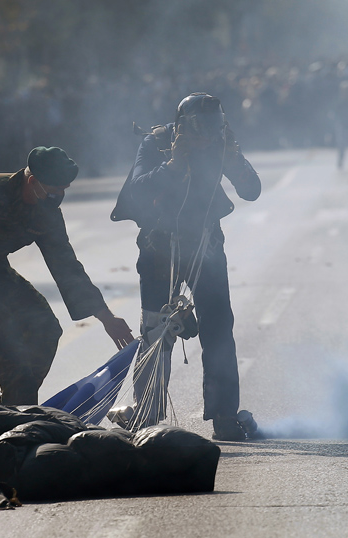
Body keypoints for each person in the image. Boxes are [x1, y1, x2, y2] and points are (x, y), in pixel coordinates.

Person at [0, 146, 134, 405]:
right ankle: (17, 409)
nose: (59, 197)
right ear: (32, 181)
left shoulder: (46, 211)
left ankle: (14, 405)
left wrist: (106, 317)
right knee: (13, 359)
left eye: (64, 191)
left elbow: (65, 265)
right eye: (54, 190)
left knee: (46, 329)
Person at [111, 93, 261, 440]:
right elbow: (137, 189)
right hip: (159, 248)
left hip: (206, 247)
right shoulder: (157, 144)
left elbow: (251, 190)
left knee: (219, 328)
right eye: (199, 130)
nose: (206, 137)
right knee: (155, 330)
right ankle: (147, 413)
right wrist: (175, 164)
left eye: (213, 129)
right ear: (181, 128)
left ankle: (224, 417)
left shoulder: (221, 143)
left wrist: (234, 160)